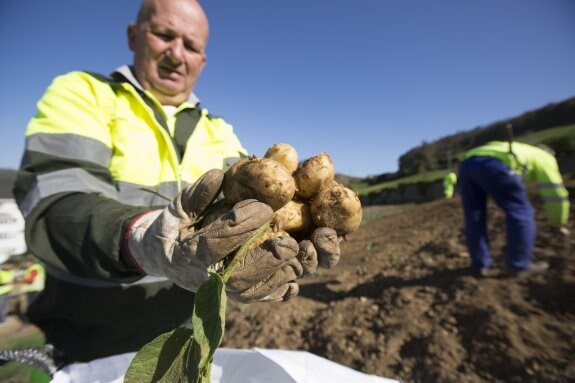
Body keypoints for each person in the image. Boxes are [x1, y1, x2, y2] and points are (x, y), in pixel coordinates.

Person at [11, 0, 341, 379]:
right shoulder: (84, 94)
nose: (176, 53)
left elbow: (253, 214)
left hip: (184, 346)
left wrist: (280, 239)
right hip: (83, 345)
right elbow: (54, 206)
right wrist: (141, 239)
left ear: (202, 60)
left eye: (191, 45)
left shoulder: (220, 131)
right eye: (164, 35)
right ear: (133, 36)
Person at [457, 140, 569, 277]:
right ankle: (519, 265)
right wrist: (558, 222)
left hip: (467, 164)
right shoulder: (545, 157)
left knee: (475, 216)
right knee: (521, 212)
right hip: (492, 164)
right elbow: (555, 193)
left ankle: (479, 265)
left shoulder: (522, 149)